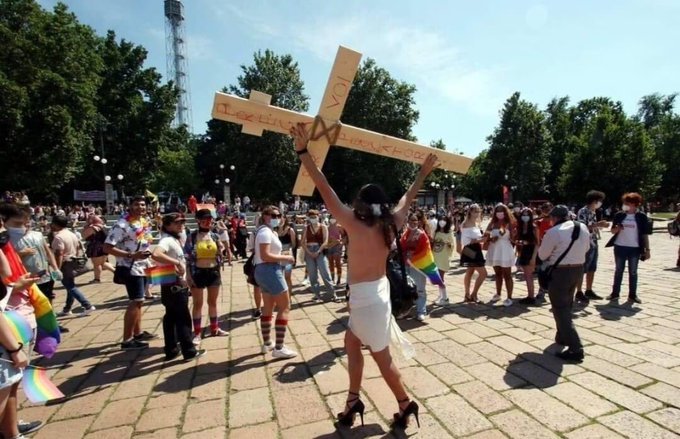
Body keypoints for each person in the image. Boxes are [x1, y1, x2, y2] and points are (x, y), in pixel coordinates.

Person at [291, 122, 437, 431]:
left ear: (359, 203)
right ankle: (353, 401)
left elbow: (323, 185)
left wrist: (303, 151)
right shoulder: (393, 223)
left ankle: (405, 403)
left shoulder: (352, 224)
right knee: (350, 342)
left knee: (382, 360)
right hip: (375, 295)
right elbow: (407, 197)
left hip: (367, 301)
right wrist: (423, 172)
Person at [103, 196, 158, 350]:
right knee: (135, 301)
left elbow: (144, 241)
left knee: (140, 301)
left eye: (142, 204)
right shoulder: (122, 225)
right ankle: (127, 340)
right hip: (130, 266)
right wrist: (131, 255)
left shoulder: (143, 222)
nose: (140, 207)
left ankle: (138, 333)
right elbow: (107, 247)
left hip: (143, 265)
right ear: (130, 206)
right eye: (136, 204)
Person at [537, 205, 590, 362]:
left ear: (554, 218)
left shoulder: (553, 232)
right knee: (567, 302)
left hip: (560, 271)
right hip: (578, 269)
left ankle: (575, 347)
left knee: (560, 308)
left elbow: (542, 254)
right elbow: (587, 248)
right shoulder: (583, 227)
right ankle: (561, 335)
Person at [152, 213, 206, 361]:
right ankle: (189, 351)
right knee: (182, 317)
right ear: (168, 225)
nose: (181, 224)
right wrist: (175, 263)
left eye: (182, 222)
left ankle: (171, 349)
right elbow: (156, 254)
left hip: (168, 282)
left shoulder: (172, 238)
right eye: (177, 223)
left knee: (170, 317)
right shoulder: (167, 240)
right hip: (174, 284)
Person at [254, 205, 297, 359]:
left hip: (264, 271)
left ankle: (267, 343)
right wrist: (286, 258)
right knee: (285, 307)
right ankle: (279, 347)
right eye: (272, 215)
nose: (276, 218)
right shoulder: (265, 232)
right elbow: (265, 255)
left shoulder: (266, 231)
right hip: (270, 270)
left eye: (278, 215)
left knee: (268, 307)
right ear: (264, 216)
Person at [185, 209, 228, 343]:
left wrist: (222, 250)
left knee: (213, 302)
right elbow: (187, 257)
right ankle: (197, 333)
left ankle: (215, 328)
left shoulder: (214, 236)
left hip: (213, 272)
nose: (207, 222)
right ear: (198, 221)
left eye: (209, 219)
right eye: (204, 219)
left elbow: (221, 252)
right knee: (198, 304)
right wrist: (188, 276)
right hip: (197, 272)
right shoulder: (192, 237)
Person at [606, 193, 651, 304]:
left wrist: (647, 250)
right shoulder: (619, 215)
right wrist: (617, 228)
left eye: (627, 203)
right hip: (620, 246)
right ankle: (615, 294)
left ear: (634, 204)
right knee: (618, 271)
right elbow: (612, 231)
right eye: (624, 203)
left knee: (633, 272)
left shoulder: (641, 216)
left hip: (635, 248)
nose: (625, 205)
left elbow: (645, 234)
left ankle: (632, 295)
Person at [50, 215, 96, 317]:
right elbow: (78, 248)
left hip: (65, 263)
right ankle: (67, 308)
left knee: (70, 286)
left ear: (55, 224)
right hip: (73, 261)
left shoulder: (58, 237)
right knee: (70, 285)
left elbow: (59, 254)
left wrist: (57, 268)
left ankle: (87, 305)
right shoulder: (71, 234)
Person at [575, 190, 609, 304]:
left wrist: (599, 225)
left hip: (594, 241)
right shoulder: (583, 211)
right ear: (594, 200)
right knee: (582, 268)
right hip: (585, 243)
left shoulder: (593, 212)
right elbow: (582, 226)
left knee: (592, 267)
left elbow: (592, 226)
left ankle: (589, 290)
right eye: (599, 201)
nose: (600, 203)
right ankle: (579, 291)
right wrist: (598, 224)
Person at [484, 204, 516, 306]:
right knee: (497, 274)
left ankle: (509, 297)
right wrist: (490, 238)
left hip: (505, 249)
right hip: (494, 249)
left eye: (502, 210)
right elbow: (486, 235)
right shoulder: (492, 223)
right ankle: (498, 294)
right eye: (497, 211)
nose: (500, 213)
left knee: (507, 275)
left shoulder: (509, 223)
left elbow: (513, 238)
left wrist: (513, 235)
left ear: (505, 212)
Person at [302, 209, 337, 302]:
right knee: (312, 274)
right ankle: (317, 294)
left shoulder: (323, 227)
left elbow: (325, 241)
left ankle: (333, 293)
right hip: (309, 250)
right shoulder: (306, 227)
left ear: (319, 217)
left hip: (320, 250)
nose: (313, 219)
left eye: (315, 217)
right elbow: (302, 242)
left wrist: (318, 251)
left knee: (325, 272)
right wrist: (309, 253)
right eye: (311, 217)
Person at [459, 204, 487, 303]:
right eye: (475, 211)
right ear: (470, 212)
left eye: (478, 211)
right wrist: (480, 240)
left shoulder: (476, 223)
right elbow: (466, 241)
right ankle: (473, 294)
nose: (477, 213)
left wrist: (482, 239)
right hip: (470, 249)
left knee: (470, 271)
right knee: (483, 273)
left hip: (476, 248)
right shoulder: (466, 223)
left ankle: (468, 294)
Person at [516, 208, 540, 305]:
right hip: (523, 251)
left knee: (529, 275)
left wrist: (533, 258)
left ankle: (531, 297)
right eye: (523, 215)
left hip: (531, 252)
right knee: (526, 275)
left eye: (527, 215)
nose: (525, 217)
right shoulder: (521, 227)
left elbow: (537, 243)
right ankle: (530, 295)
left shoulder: (534, 227)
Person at [81, 215, 115, 283]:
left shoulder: (94, 228)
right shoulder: (104, 227)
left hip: (96, 247)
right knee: (102, 263)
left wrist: (87, 226)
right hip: (104, 247)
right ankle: (117, 273)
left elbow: (83, 235)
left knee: (97, 264)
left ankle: (97, 279)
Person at [431, 215, 454, 305]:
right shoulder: (436, 232)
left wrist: (448, 244)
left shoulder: (449, 232)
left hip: (444, 257)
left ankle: (445, 298)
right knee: (437, 278)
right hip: (435, 256)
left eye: (444, 220)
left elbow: (452, 245)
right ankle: (441, 295)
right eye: (440, 220)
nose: (442, 222)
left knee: (440, 278)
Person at [276, 215, 296, 292]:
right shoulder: (274, 230)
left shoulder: (290, 230)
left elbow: (293, 244)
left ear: (284, 219)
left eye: (281, 218)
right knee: (279, 277)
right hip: (277, 256)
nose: (280, 220)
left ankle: (289, 296)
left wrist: (289, 252)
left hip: (287, 255)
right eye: (278, 218)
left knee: (287, 277)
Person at [326, 215, 345, 286]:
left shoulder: (339, 227)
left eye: (334, 218)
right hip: (329, 246)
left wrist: (340, 243)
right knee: (330, 263)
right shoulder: (327, 228)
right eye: (331, 218)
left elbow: (344, 237)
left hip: (337, 247)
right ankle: (332, 278)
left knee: (338, 263)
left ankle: (339, 280)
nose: (332, 219)